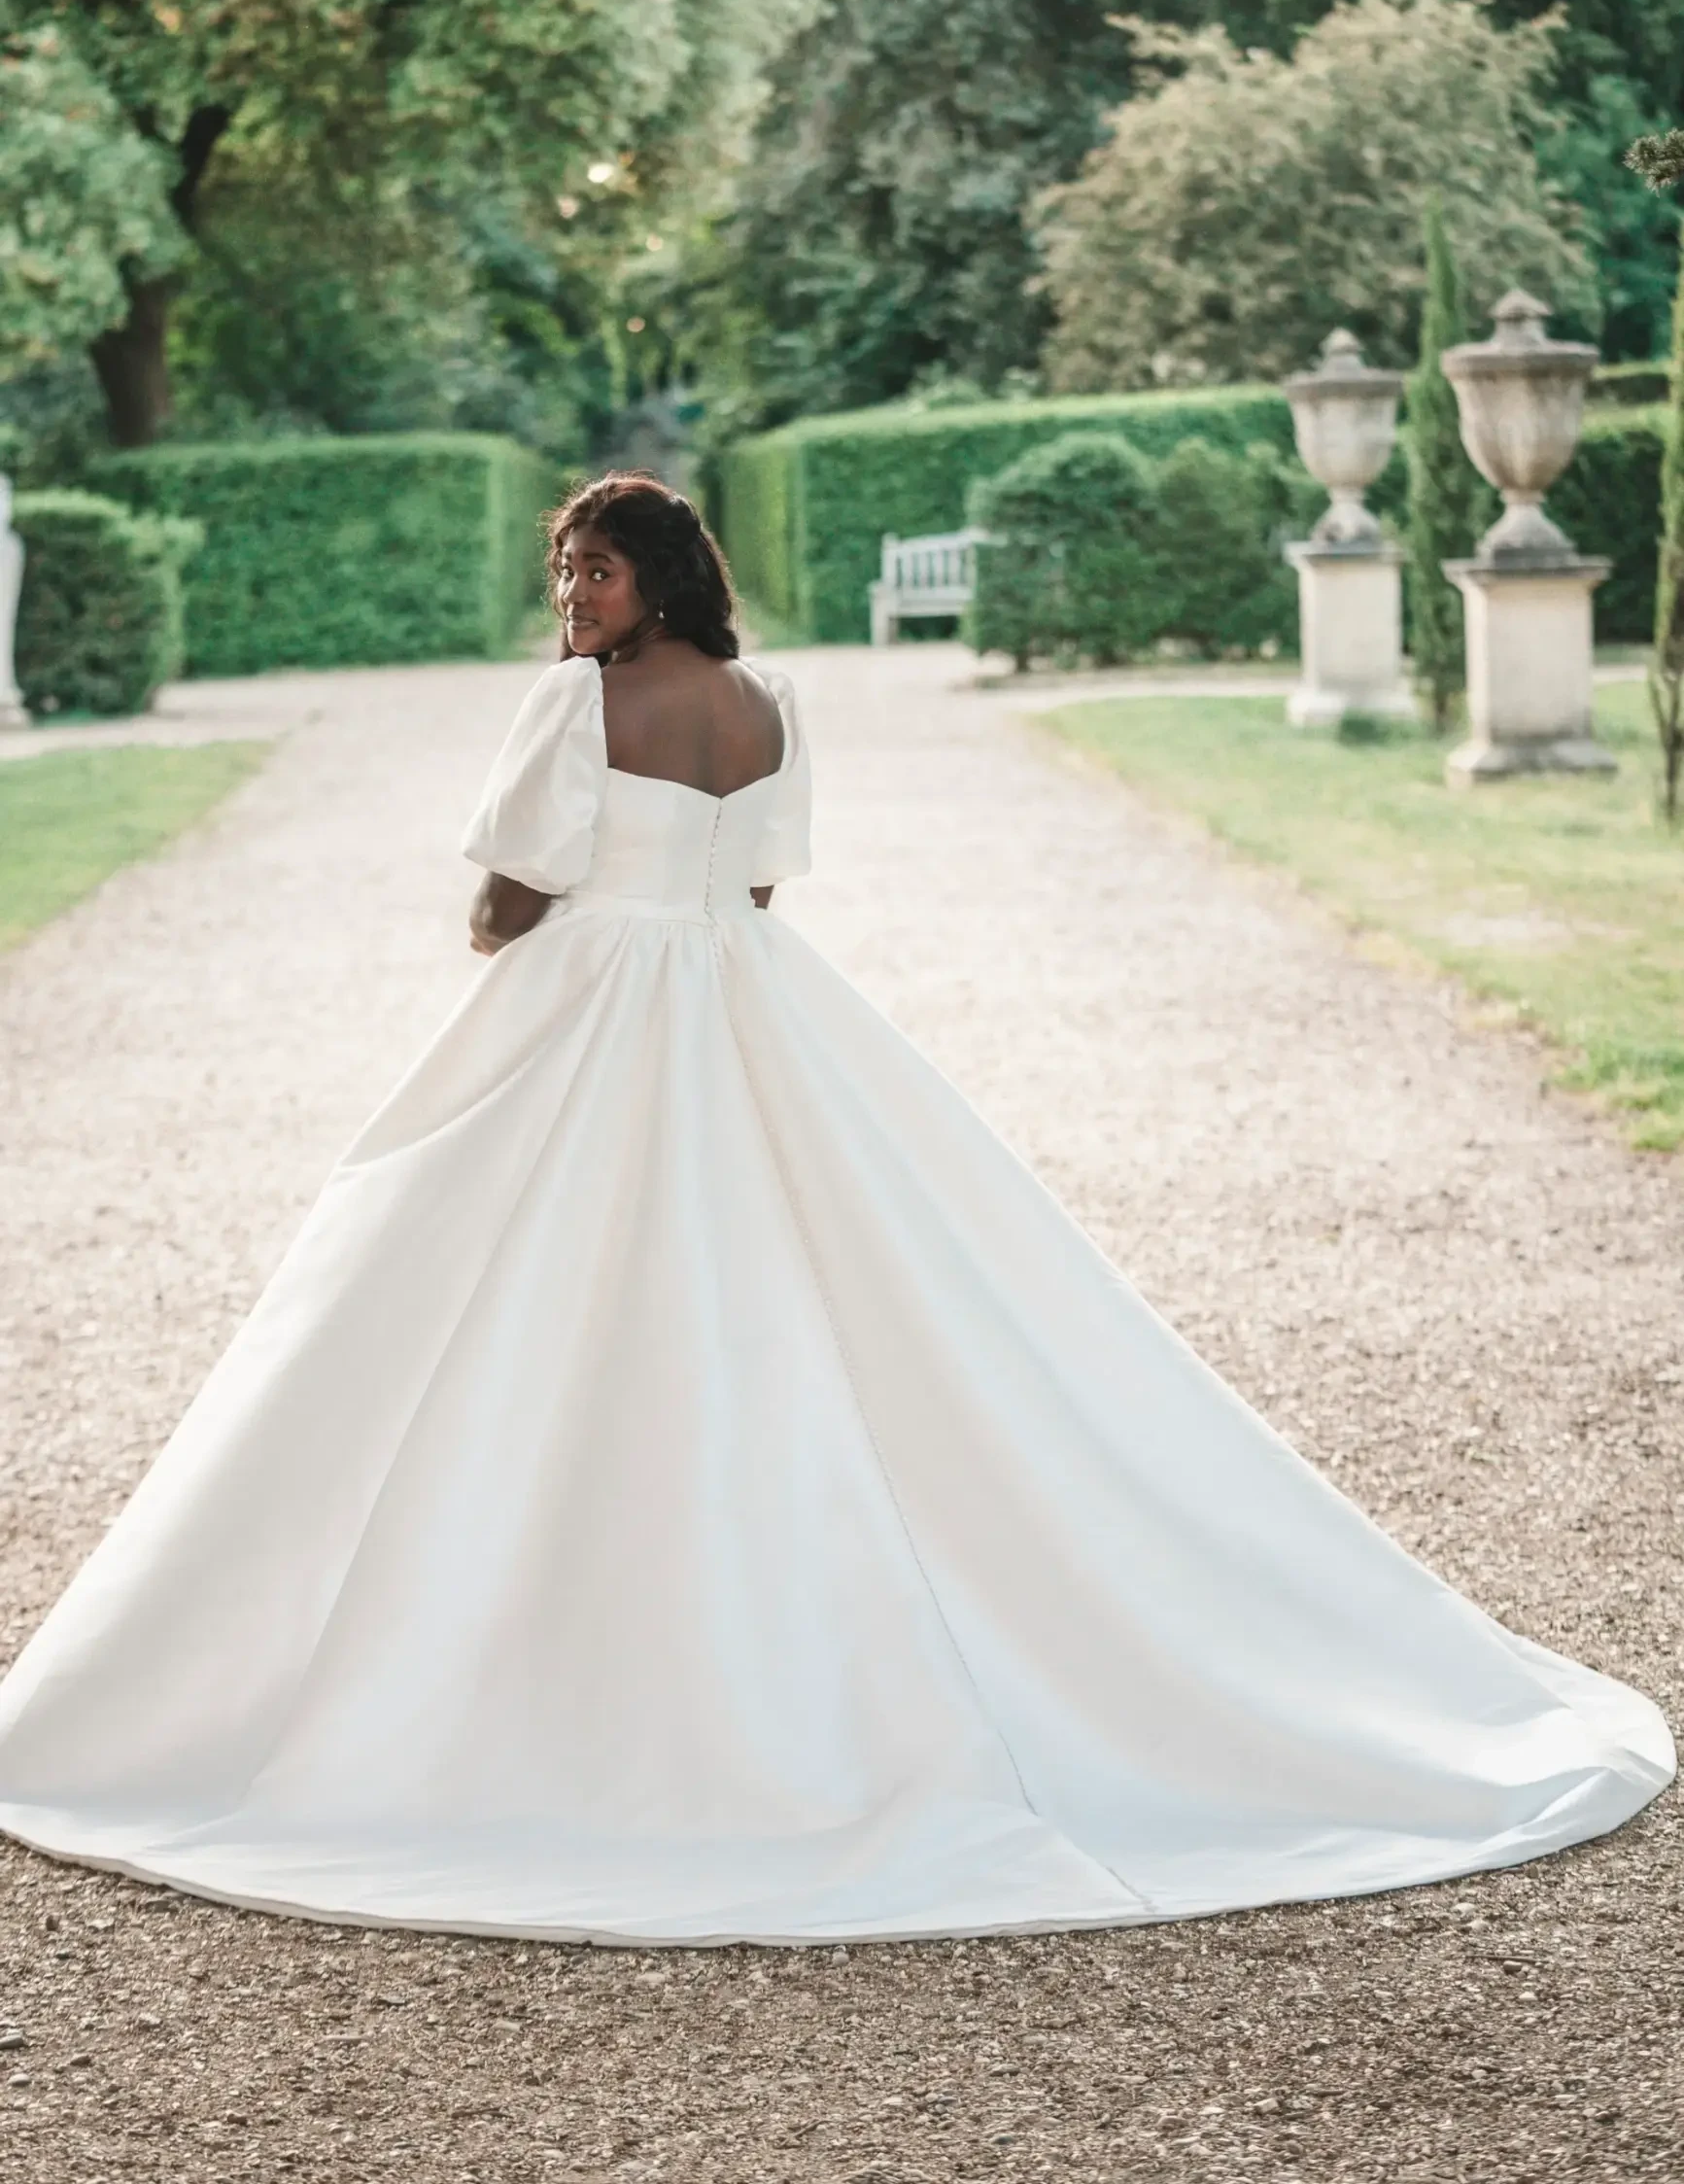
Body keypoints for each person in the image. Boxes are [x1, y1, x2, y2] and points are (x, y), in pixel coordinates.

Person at [0, 472, 1669, 1947]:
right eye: (564, 570)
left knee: (491, 1288)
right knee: (824, 1278)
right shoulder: (770, 700)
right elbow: (757, 881)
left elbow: (506, 904)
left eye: (595, 569)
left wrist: (548, 913)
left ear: (659, 577)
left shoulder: (576, 704)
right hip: (744, 994)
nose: (572, 594)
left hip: (593, 1001)